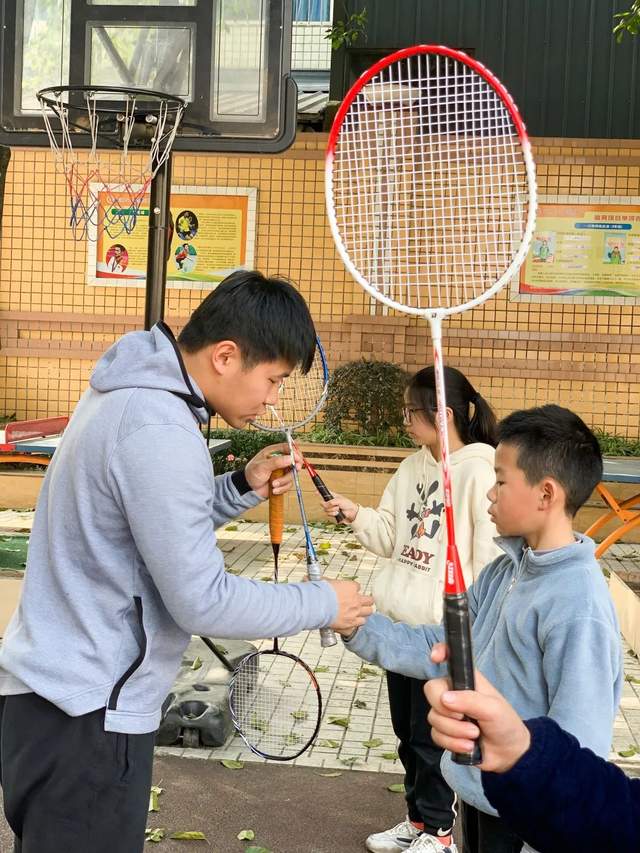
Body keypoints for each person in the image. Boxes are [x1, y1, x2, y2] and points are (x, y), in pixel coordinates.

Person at [0, 270, 374, 853]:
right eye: (273, 379)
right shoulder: (159, 427)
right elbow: (202, 600)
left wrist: (240, 486)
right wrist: (326, 602)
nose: (274, 399)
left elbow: (144, 527)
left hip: (56, 704)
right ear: (226, 356)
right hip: (90, 717)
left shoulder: (130, 396)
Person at [339, 404, 623, 853]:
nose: (490, 494)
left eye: (501, 481)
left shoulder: (578, 607)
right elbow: (442, 645)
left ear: (546, 494)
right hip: (478, 793)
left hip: (525, 817)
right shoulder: (505, 571)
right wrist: (356, 625)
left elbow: (579, 749)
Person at [322, 366, 500, 853]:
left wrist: (473, 629)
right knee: (406, 734)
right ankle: (417, 822)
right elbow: (391, 537)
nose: (404, 421)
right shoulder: (411, 467)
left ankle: (440, 835)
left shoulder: (480, 471)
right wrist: (356, 514)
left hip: (441, 634)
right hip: (399, 630)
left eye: (410, 412)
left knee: (432, 738)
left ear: (443, 416)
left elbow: (490, 559)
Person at [425, 652, 640, 853]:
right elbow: (621, 819)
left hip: (515, 815)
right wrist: (518, 755)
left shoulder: (583, 624)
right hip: (502, 785)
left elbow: (584, 728)